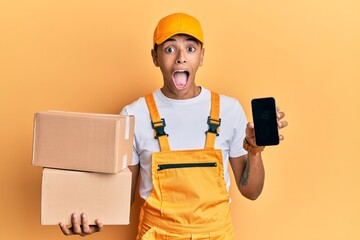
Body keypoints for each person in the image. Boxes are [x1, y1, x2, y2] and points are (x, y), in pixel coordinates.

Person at [60, 12, 288, 239]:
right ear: (155, 57)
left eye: (190, 48)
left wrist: (255, 149)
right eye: (169, 49)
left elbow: (251, 191)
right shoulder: (133, 115)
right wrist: (90, 218)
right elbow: (122, 197)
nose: (181, 58)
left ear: (202, 56)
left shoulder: (230, 110)